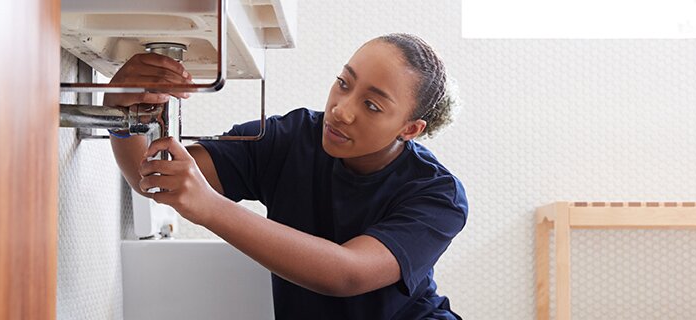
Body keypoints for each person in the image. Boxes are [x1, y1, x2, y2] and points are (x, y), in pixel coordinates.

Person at [106, 33, 467, 319]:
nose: (341, 111)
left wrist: (209, 207)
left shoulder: (437, 195)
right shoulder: (291, 138)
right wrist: (121, 113)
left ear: (410, 129)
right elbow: (155, 177)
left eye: (372, 105)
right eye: (343, 83)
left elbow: (347, 273)